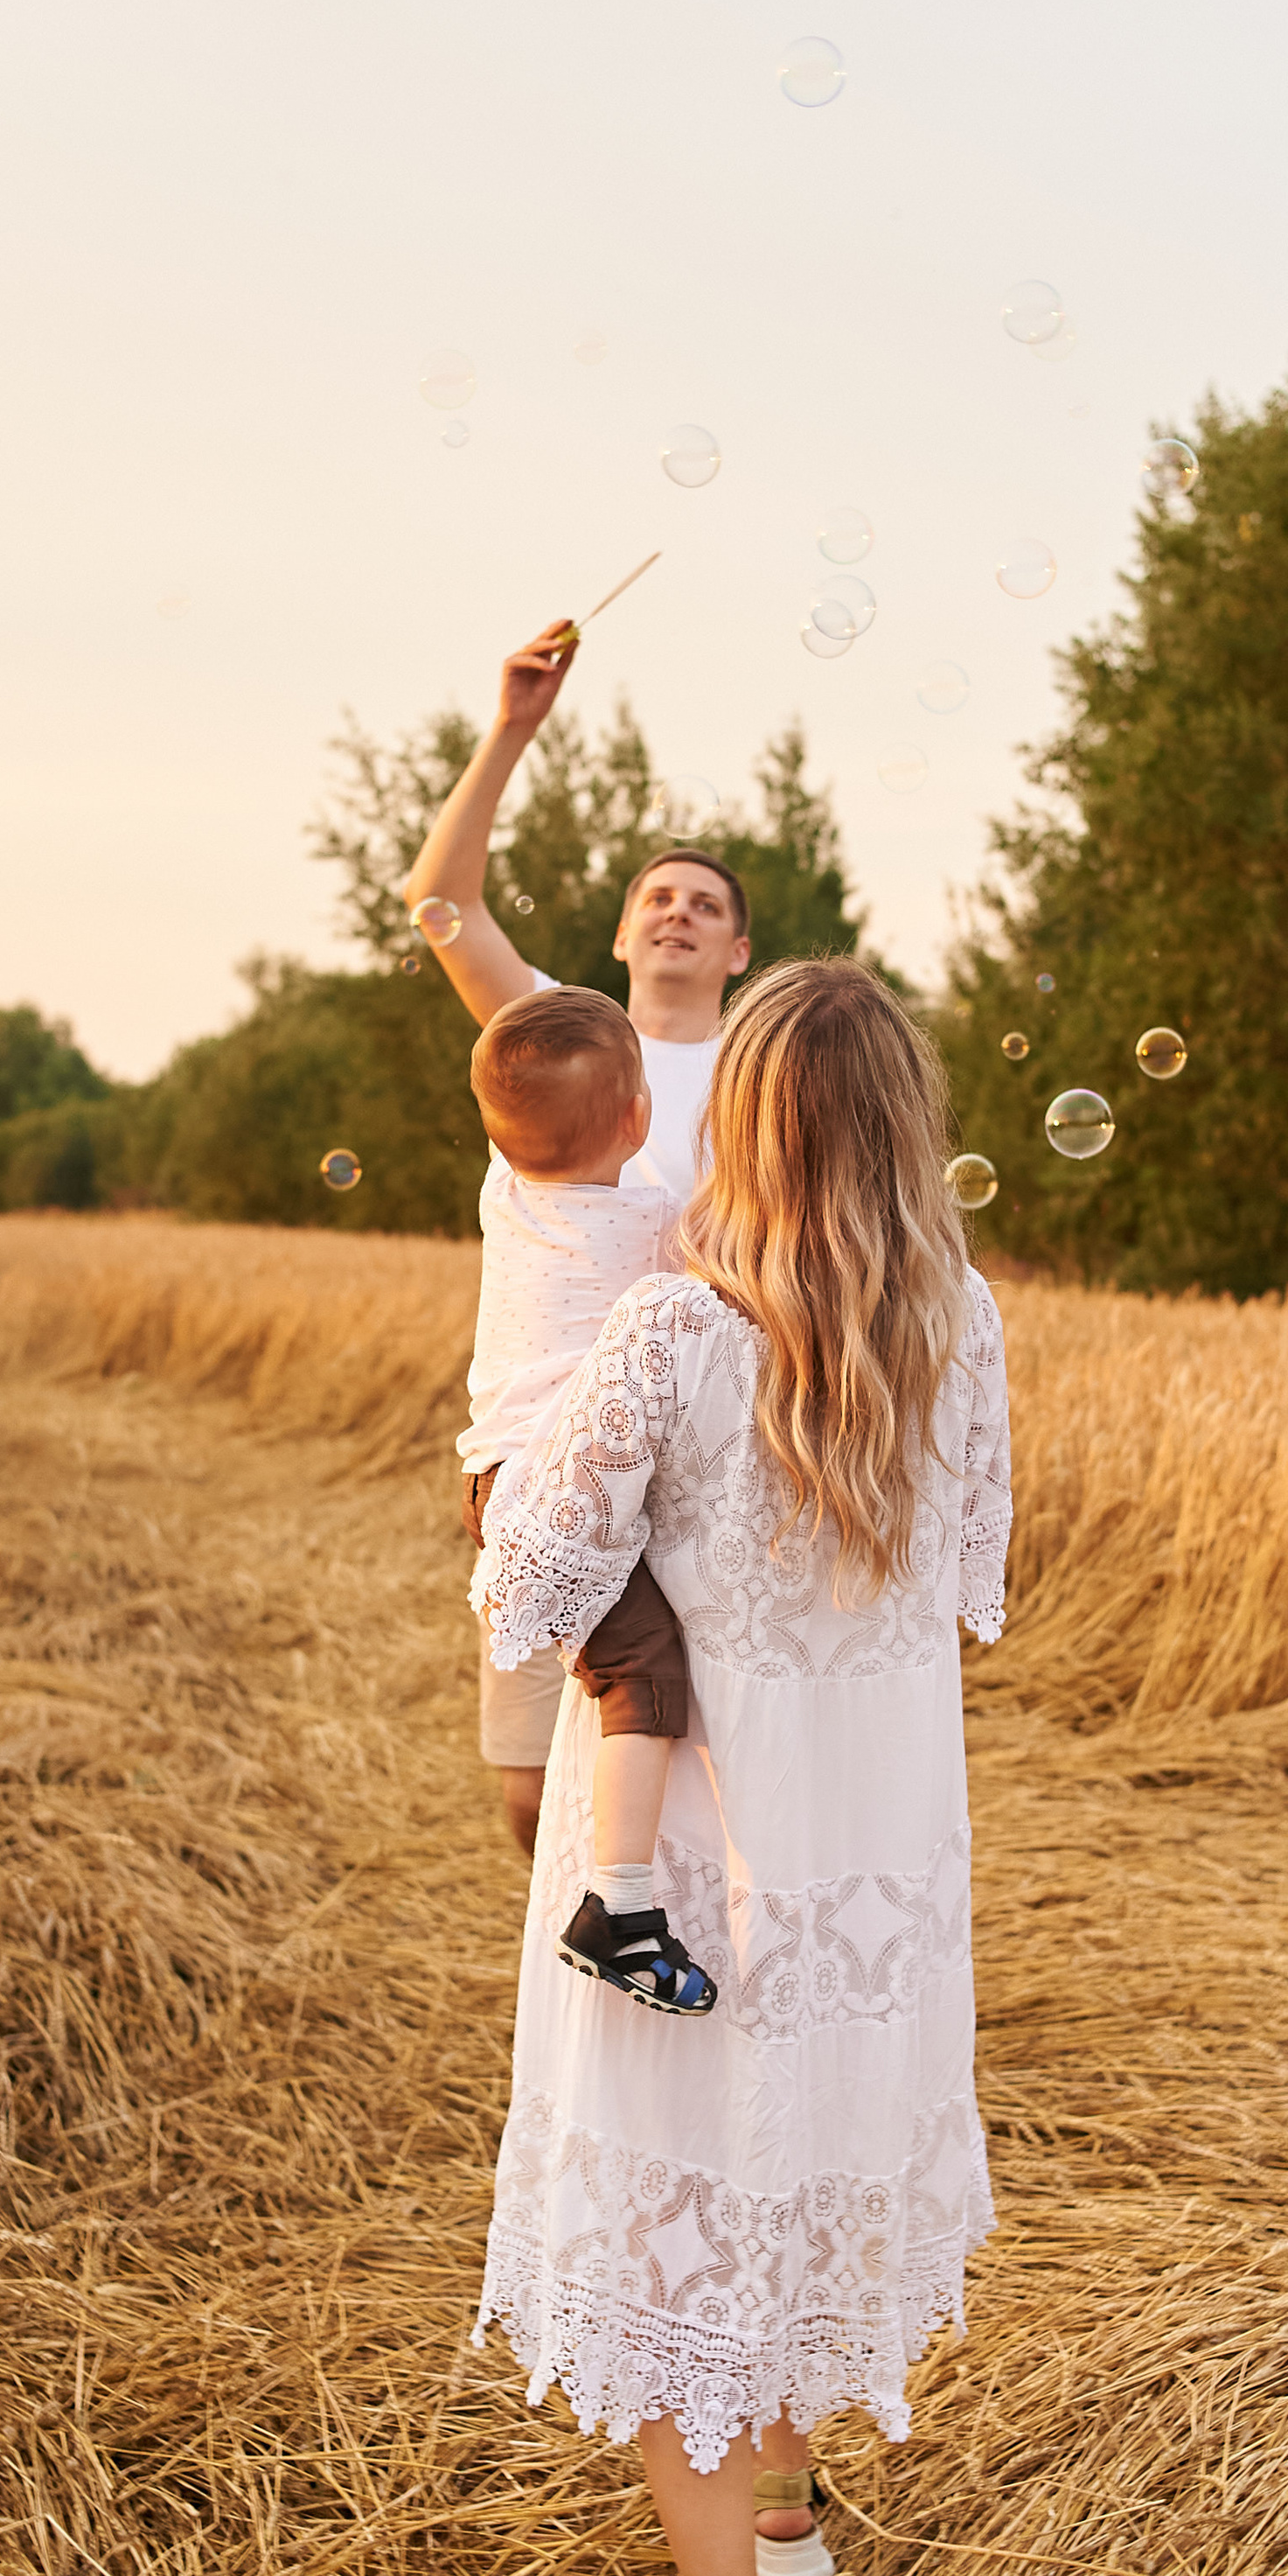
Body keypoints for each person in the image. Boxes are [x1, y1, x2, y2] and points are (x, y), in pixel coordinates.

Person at [471, 956, 1012, 2576]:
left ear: (746, 1124)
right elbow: (971, 1589)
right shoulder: (965, 1328)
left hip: (687, 1867)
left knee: (684, 2218)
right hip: (873, 1867)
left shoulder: (671, 1334)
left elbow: (522, 1589)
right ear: (904, 1131)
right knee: (789, 2183)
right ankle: (786, 2500)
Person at [404, 621, 753, 1859]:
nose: (678, 911)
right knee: (524, 1780)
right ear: (619, 934)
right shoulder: (555, 1031)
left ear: (737, 950)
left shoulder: (763, 1072)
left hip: (694, 1449)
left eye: (705, 903)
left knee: (673, 1724)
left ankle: (644, 1933)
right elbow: (440, 902)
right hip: (544, 1445)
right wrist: (512, 727)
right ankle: (576, 1962)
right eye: (656, 894)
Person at [460, 984, 716, 2016]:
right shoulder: (658, 1226)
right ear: (639, 1120)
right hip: (565, 1498)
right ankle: (622, 1905)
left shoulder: (504, 1197)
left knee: (617, 1665)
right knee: (643, 1673)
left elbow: (516, 1088)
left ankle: (614, 1884)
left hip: (497, 1481)